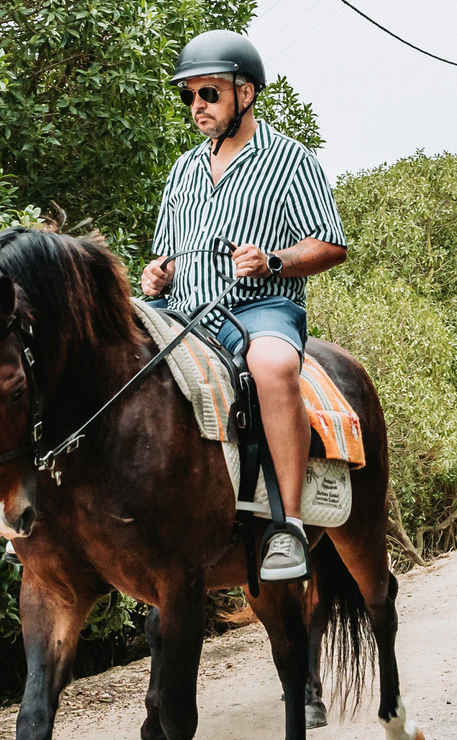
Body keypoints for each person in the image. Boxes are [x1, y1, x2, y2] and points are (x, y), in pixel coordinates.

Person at [138, 30, 346, 582]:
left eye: (208, 94)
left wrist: (273, 261)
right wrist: (157, 273)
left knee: (273, 366)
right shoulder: (182, 170)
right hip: (183, 311)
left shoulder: (290, 159)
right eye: (189, 96)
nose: (196, 106)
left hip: (259, 310)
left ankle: (290, 527)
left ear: (245, 93)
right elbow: (168, 252)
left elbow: (329, 244)